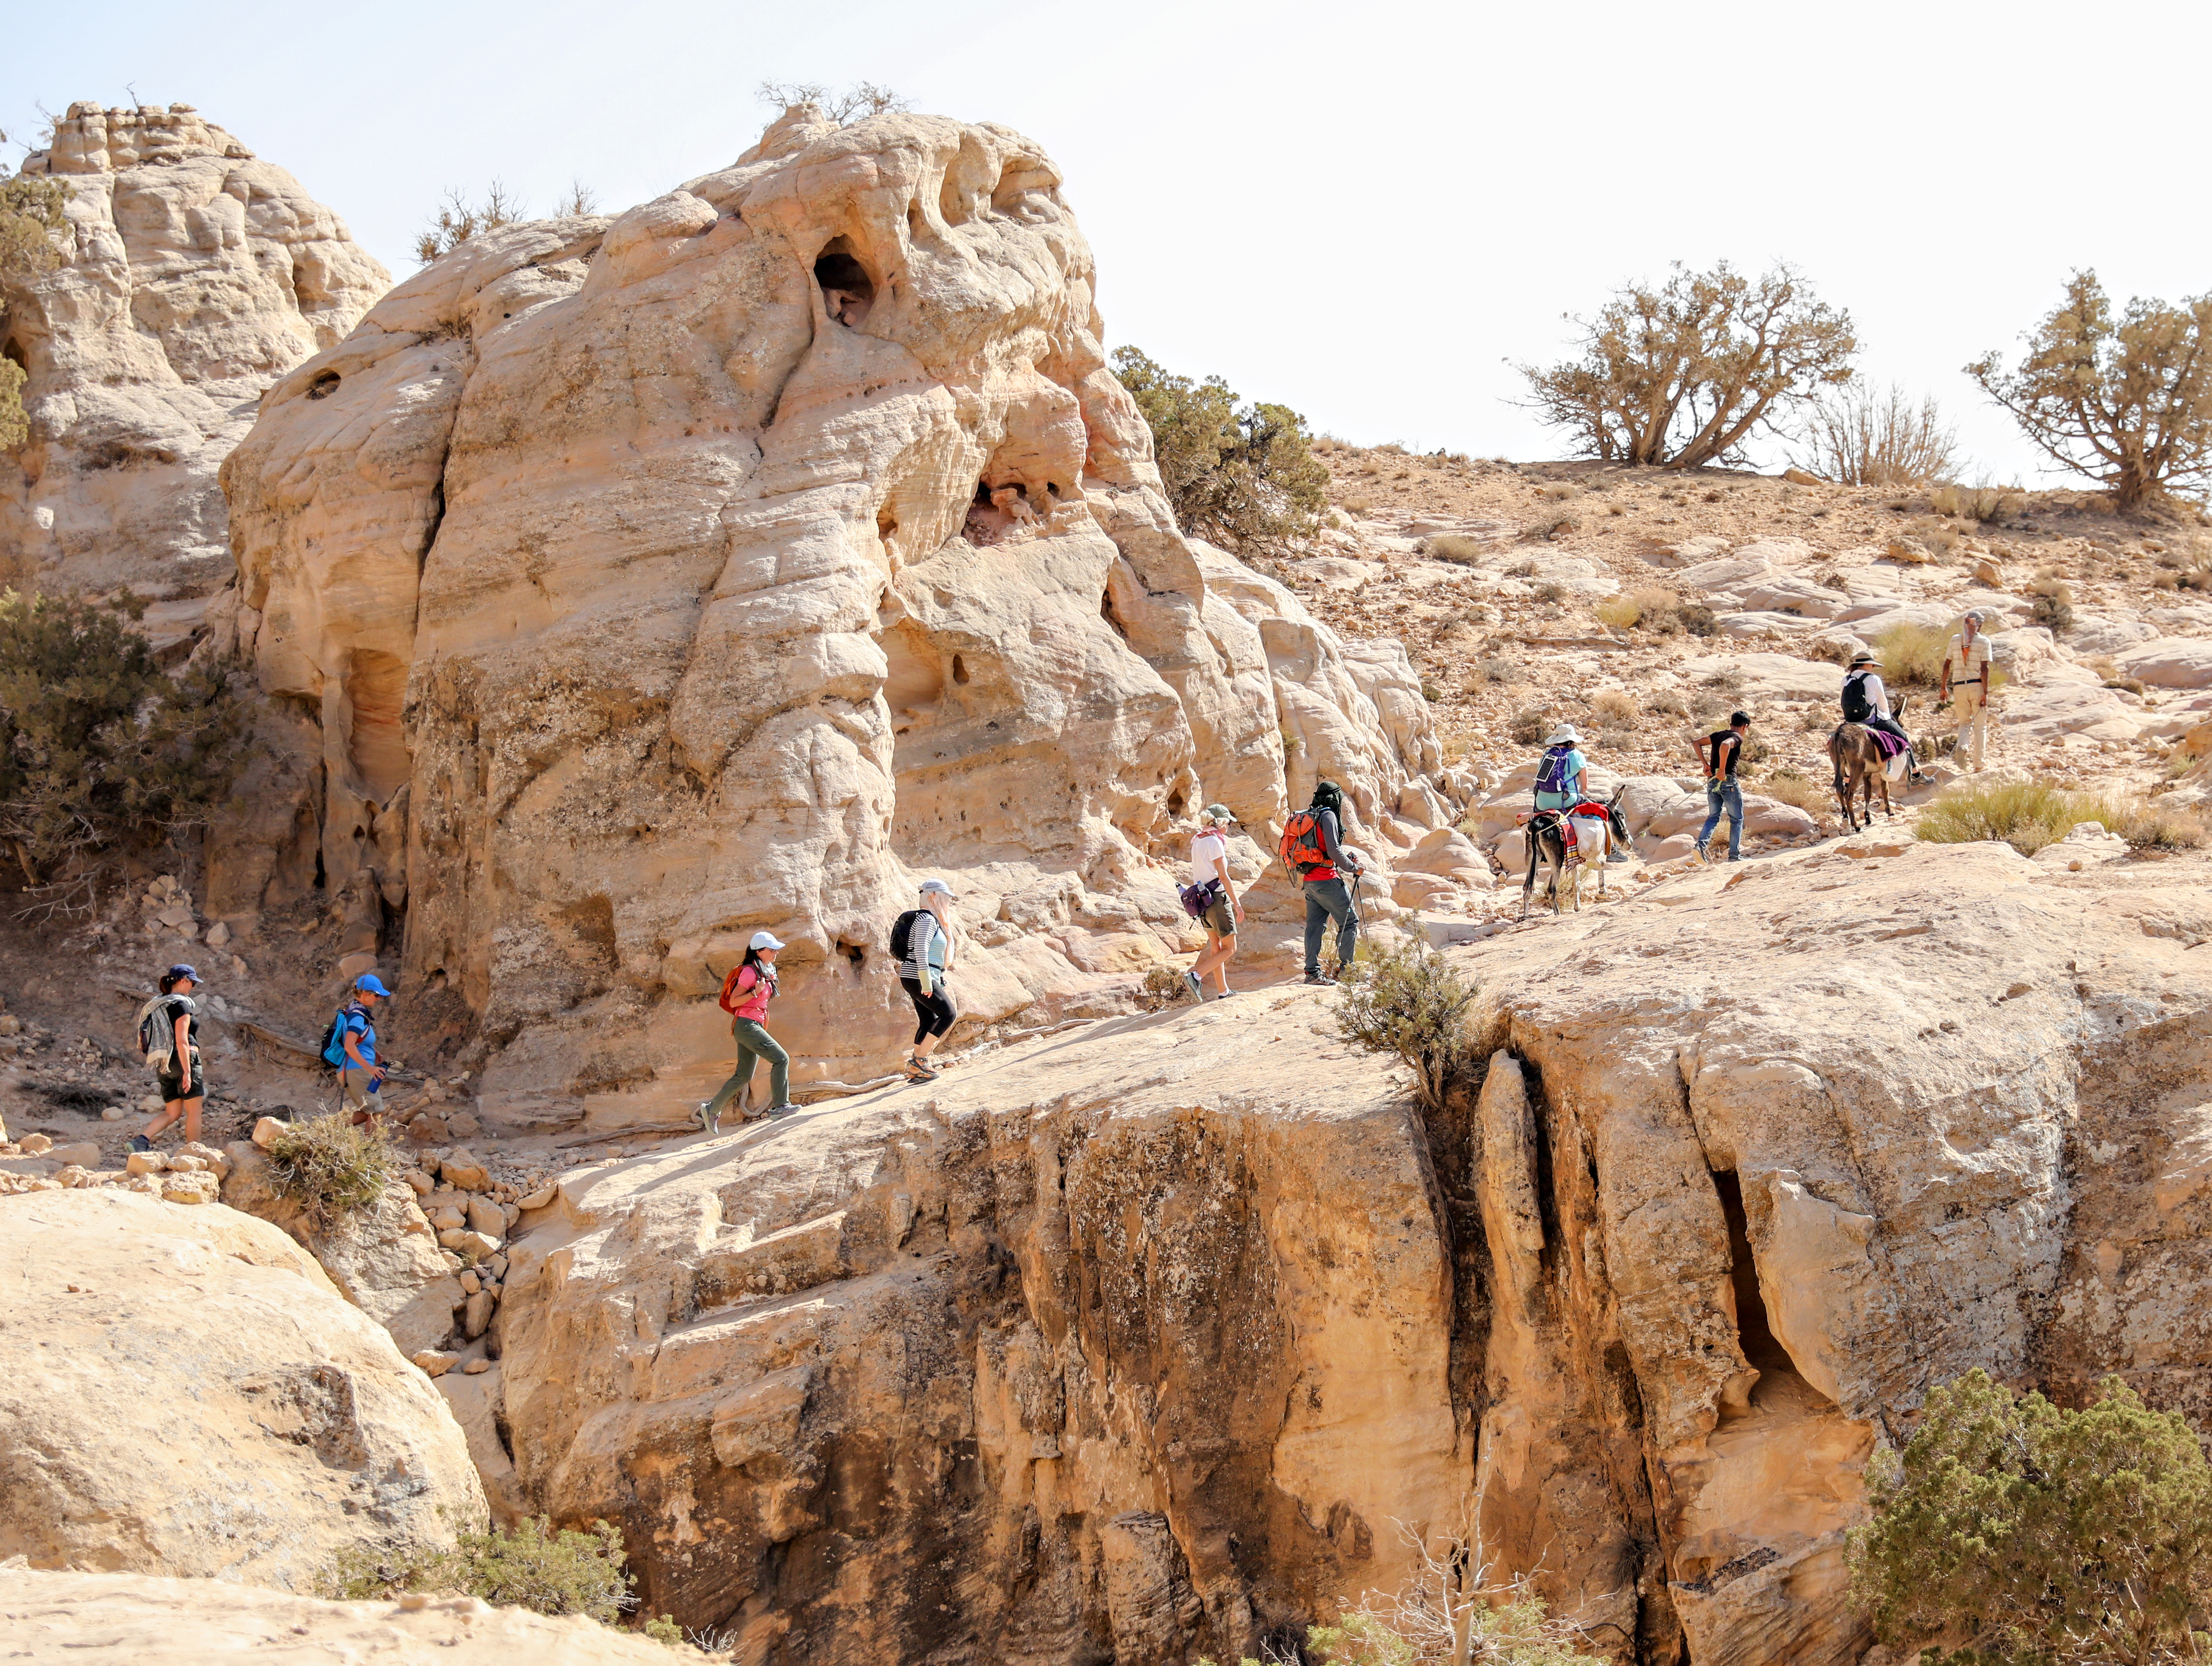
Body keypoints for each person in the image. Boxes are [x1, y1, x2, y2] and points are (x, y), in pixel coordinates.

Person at [696, 931, 792, 1130]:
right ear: (759, 951)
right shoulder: (750, 972)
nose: (776, 952)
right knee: (781, 1058)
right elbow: (734, 1001)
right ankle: (780, 1106)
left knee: (744, 1075)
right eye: (772, 949)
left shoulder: (767, 970)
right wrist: (755, 992)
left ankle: (712, 1109)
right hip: (747, 1025)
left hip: (752, 1025)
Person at [1281, 779, 1363, 985]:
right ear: (1335, 798)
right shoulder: (1328, 815)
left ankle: (1312, 974)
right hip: (1327, 880)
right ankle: (1347, 971)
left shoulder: (1311, 816)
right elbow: (1333, 851)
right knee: (1349, 922)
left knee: (1315, 926)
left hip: (1310, 882)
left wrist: (1346, 858)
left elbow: (1325, 849)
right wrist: (1354, 868)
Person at [130, 964, 203, 1152]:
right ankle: (193, 1155)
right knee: (195, 1112)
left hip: (163, 1063)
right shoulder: (181, 1005)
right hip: (183, 1060)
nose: (193, 988)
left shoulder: (158, 1004)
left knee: (173, 1112)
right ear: (183, 981)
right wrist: (188, 1072)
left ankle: (140, 1141)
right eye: (192, 983)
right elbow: (182, 1040)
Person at [896, 880, 958, 1081]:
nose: (947, 902)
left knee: (928, 1020)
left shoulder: (929, 919)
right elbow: (921, 950)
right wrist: (925, 981)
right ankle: (920, 1061)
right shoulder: (927, 919)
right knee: (948, 1014)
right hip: (918, 975)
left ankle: (916, 1070)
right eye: (944, 897)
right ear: (933, 896)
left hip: (916, 975)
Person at [1184, 804, 1245, 1001]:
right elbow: (1224, 877)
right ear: (1219, 823)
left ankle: (1223, 991)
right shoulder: (1214, 842)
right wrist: (1237, 903)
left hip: (1203, 901)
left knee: (1216, 947)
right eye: (1227, 822)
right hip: (1217, 898)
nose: (1229, 825)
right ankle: (1196, 976)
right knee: (1230, 948)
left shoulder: (1198, 841)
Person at [1842, 652, 1928, 785]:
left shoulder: (1846, 680)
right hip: (1871, 720)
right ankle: (1916, 774)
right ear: (1866, 664)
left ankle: (1847, 779)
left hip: (1851, 721)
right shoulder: (1873, 679)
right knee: (1904, 737)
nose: (1872, 667)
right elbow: (1882, 703)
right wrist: (1888, 719)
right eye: (1871, 665)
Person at [328, 973, 392, 1127]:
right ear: (365, 994)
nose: (379, 999)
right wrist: (370, 1068)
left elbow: (357, 1041)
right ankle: (371, 1150)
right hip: (357, 1070)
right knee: (377, 1112)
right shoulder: (357, 1016)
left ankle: (326, 1131)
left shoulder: (356, 1013)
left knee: (366, 1112)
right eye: (376, 995)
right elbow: (349, 1045)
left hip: (352, 1070)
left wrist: (373, 1051)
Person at [1940, 609, 1996, 772]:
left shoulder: (1955, 640)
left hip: (1959, 686)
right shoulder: (1984, 642)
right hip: (1976, 685)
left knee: (1964, 722)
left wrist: (1944, 688)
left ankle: (1963, 746)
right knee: (1980, 726)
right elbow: (1984, 668)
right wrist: (1985, 692)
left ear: (1965, 622)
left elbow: (1947, 665)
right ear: (1980, 625)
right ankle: (1979, 764)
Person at [1692, 712, 1751, 863]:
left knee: (1713, 817)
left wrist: (1705, 764)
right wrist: (1723, 769)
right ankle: (1734, 856)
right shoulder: (1737, 738)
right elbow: (1726, 746)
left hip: (1713, 781)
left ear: (1731, 724)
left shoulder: (1718, 735)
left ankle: (1700, 847)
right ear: (1745, 726)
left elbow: (1696, 742)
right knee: (1737, 819)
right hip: (1728, 781)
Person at [1532, 723, 1589, 813]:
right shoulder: (1578, 755)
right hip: (1566, 801)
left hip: (1541, 804)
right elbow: (1585, 786)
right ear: (1572, 740)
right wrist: (1581, 795)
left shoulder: (1547, 754)